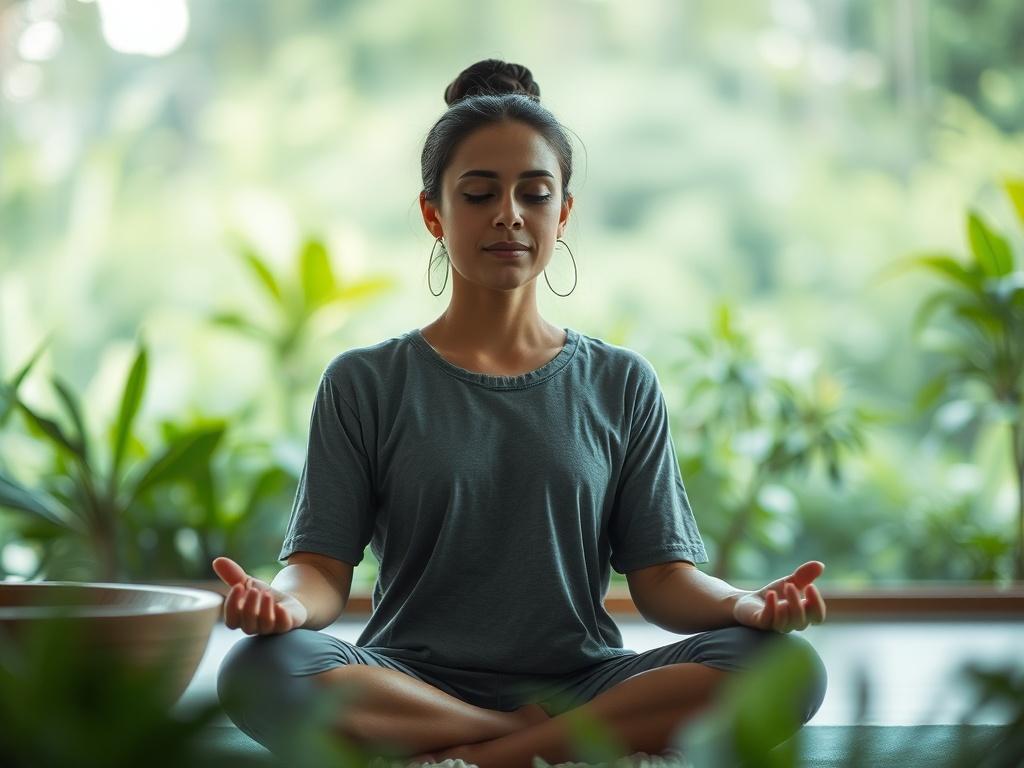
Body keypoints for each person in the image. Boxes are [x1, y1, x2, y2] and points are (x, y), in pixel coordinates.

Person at [214, 58, 828, 768]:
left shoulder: (621, 382)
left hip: (586, 683)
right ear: (434, 214)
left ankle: (479, 755)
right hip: (408, 682)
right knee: (261, 668)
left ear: (562, 214)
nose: (508, 214)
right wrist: (285, 606)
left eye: (534, 194)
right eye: (478, 194)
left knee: (788, 667)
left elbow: (663, 580)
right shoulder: (364, 382)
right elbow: (320, 570)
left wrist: (744, 605)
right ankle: (535, 740)